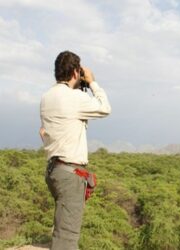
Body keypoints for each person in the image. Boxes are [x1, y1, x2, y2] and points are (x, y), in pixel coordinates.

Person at [39, 50, 111, 249]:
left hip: (54, 170)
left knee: (62, 227)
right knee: (67, 238)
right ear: (75, 73)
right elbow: (105, 107)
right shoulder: (73, 99)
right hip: (70, 175)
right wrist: (93, 82)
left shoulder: (47, 97)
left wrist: (79, 86)